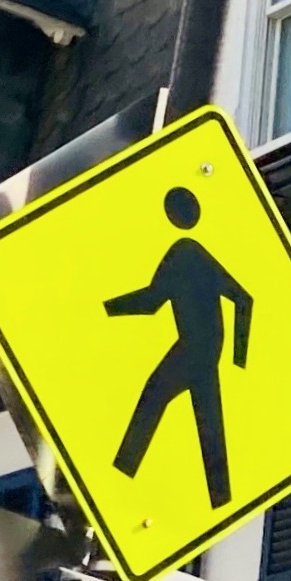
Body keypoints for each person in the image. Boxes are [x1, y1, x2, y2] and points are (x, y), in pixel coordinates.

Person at [106, 185, 254, 508]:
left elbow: (150, 301)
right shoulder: (193, 253)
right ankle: (220, 498)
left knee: (154, 395)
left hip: (194, 349)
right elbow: (243, 300)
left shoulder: (185, 254)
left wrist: (241, 360)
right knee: (209, 425)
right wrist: (232, 356)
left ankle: (120, 476)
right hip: (206, 350)